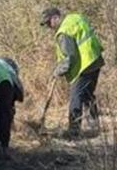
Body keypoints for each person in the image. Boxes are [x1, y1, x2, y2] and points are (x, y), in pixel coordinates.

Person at [40, 7, 104, 137]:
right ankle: (94, 125)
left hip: (84, 65)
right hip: (95, 59)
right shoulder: (74, 18)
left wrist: (57, 72)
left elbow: (70, 57)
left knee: (76, 96)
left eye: (48, 23)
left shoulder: (63, 32)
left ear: (56, 18)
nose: (48, 26)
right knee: (87, 94)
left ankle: (74, 131)